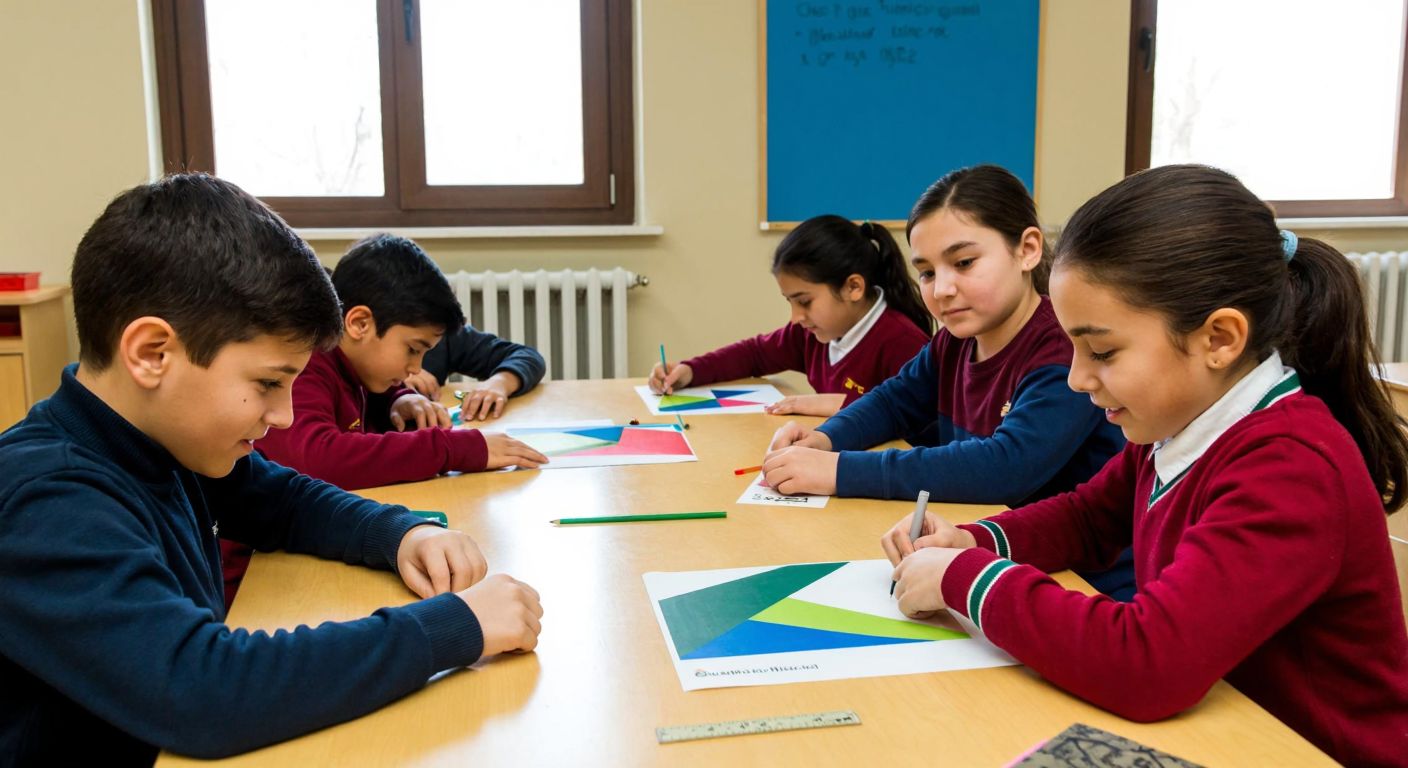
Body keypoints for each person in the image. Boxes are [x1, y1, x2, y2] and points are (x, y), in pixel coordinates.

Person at [0, 175, 543, 764]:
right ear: (152, 354)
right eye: (267, 383)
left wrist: (401, 532)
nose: (284, 416)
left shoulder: (163, 439)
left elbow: (282, 499)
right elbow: (202, 689)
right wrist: (450, 627)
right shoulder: (44, 499)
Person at [884, 164, 1408, 767]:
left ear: (1219, 338)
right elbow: (1087, 518)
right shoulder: (1179, 423)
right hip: (1220, 732)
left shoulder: (1289, 465)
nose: (1079, 378)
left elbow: (1150, 662)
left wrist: (966, 579)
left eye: (1102, 351)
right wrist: (973, 538)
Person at [649, 215, 931, 417]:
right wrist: (691, 370)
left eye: (804, 301)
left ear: (853, 287)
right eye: (790, 301)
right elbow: (755, 353)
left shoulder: (902, 342)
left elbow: (918, 420)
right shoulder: (812, 333)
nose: (796, 317)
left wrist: (835, 404)